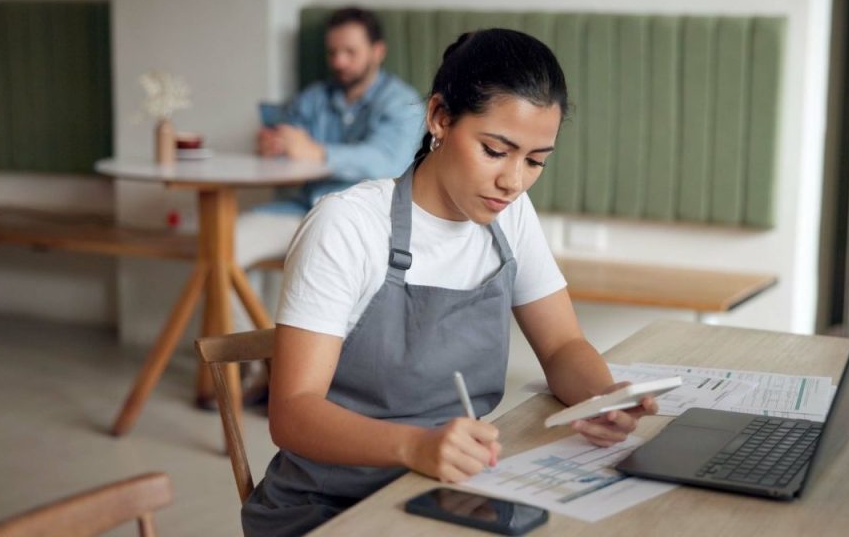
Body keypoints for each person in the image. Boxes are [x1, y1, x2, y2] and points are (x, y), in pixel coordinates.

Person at [241, 29, 659, 536]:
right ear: (440, 117)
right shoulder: (348, 225)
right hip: (331, 507)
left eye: (535, 161)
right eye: (495, 150)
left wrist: (602, 396)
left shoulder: (512, 215)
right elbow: (292, 413)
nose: (514, 181)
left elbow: (563, 345)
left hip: (451, 491)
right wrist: (416, 446)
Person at [233, 6, 423, 328]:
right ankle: (249, 366)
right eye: (333, 52)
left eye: (350, 52)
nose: (339, 62)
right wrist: (274, 145)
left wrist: (315, 151)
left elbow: (387, 161)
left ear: (378, 52)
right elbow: (285, 140)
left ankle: (309, 367)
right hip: (301, 210)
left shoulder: (402, 103)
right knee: (224, 246)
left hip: (364, 220)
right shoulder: (315, 98)